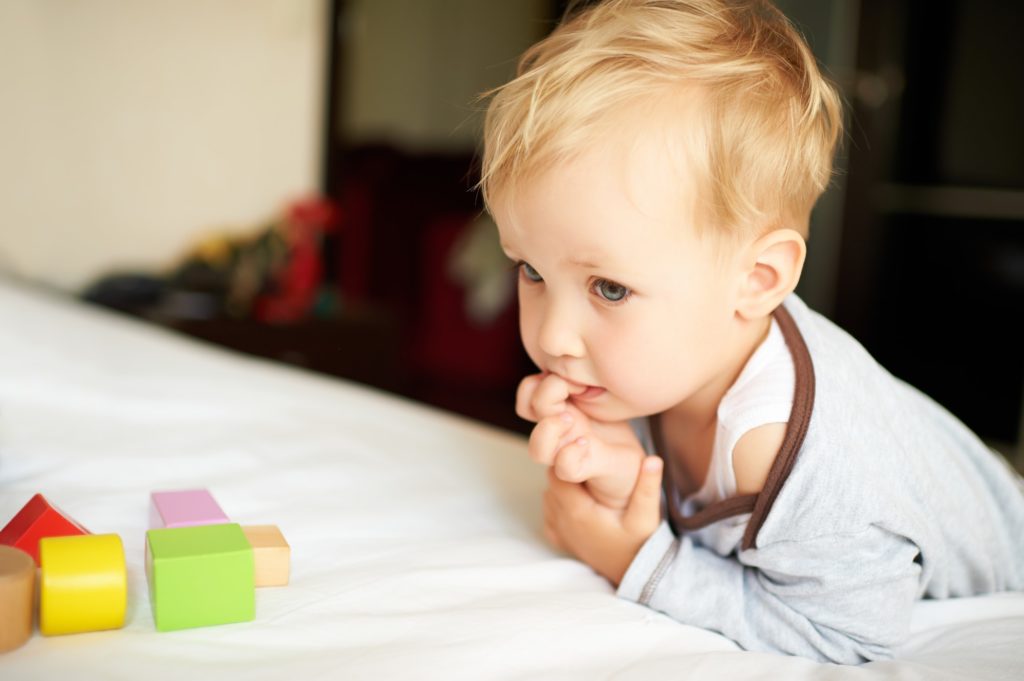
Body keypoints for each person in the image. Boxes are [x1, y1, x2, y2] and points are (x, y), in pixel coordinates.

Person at [478, 0, 1024, 664]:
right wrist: (623, 468)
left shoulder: (796, 449)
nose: (554, 334)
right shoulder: (670, 356)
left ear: (758, 280)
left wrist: (635, 556)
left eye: (610, 288)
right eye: (531, 269)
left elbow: (850, 631)